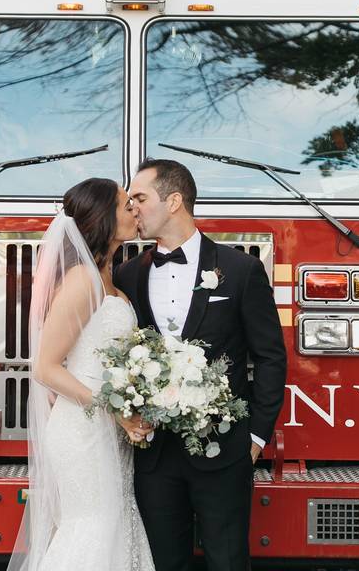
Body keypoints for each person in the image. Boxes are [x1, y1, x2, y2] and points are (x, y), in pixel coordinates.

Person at [114, 159, 288, 571]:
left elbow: (270, 357)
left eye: (140, 197)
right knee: (161, 563)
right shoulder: (125, 276)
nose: (133, 208)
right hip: (152, 454)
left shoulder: (242, 270)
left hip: (225, 448)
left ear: (174, 201)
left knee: (228, 561)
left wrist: (256, 439)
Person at [7, 178, 155, 571]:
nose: (136, 210)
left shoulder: (110, 278)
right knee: (92, 526)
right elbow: (44, 367)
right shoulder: (82, 281)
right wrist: (113, 408)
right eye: (127, 206)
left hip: (107, 427)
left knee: (114, 525)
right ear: (105, 218)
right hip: (83, 431)